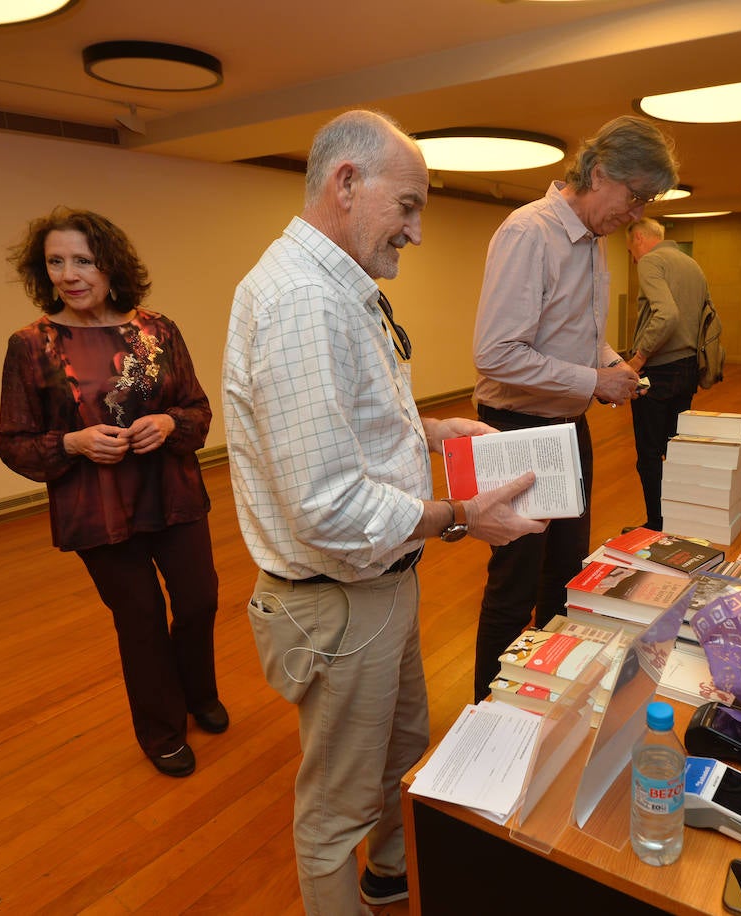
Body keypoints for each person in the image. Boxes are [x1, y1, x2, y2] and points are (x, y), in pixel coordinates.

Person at [222, 109, 545, 915]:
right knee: (335, 812)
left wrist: (431, 431)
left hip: (380, 584)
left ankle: (394, 877)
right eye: (408, 205)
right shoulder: (304, 301)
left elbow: (342, 424)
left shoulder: (337, 287)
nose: (418, 230)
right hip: (339, 600)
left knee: (401, 746)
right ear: (346, 183)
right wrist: (462, 517)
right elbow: (327, 505)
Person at [0, 207, 225, 780]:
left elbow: (197, 409)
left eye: (83, 261)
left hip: (172, 492)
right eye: (56, 262)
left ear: (110, 265)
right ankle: (162, 729)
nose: (69, 274)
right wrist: (72, 442)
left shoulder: (157, 331)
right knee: (141, 618)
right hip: (97, 509)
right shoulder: (31, 345)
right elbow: (13, 441)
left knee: (198, 601)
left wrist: (170, 424)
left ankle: (198, 693)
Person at [470, 115, 678, 704]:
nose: (637, 213)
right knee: (514, 588)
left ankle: (540, 701)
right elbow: (495, 354)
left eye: (648, 201)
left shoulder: (590, 239)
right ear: (597, 173)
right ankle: (489, 714)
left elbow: (575, 333)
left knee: (565, 579)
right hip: (515, 428)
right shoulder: (528, 233)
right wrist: (594, 379)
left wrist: (615, 366)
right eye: (634, 196)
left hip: (565, 426)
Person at [624, 216, 713, 531]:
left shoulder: (651, 262)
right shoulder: (693, 265)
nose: (633, 257)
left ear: (638, 238)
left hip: (659, 371)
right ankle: (678, 520)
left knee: (648, 454)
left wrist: (639, 357)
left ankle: (656, 524)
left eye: (631, 249)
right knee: (675, 448)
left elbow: (667, 314)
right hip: (688, 368)